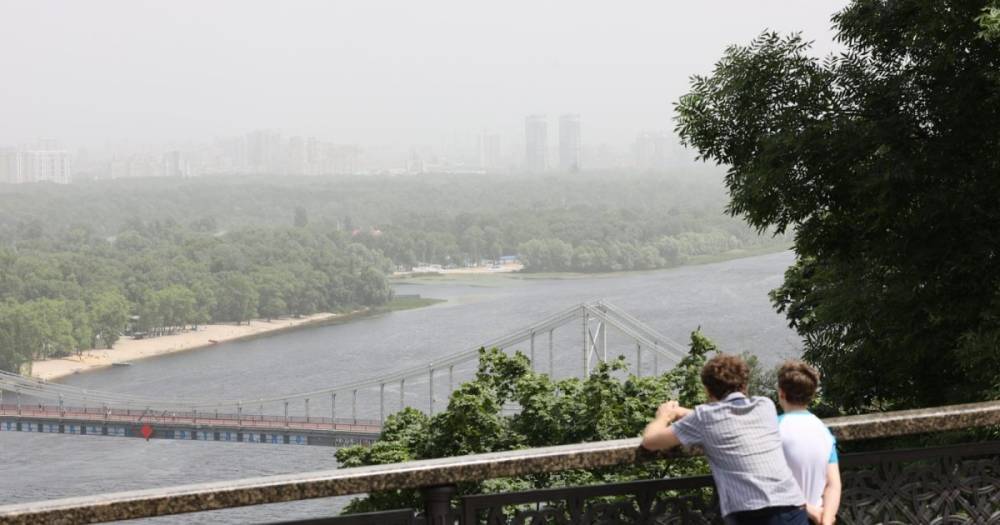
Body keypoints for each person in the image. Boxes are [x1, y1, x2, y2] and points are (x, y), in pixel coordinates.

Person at [641, 353, 808, 525]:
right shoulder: (765, 405)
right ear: (745, 385)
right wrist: (683, 412)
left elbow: (650, 441)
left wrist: (664, 416)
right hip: (793, 506)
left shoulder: (704, 418)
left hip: (752, 514)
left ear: (707, 389)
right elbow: (729, 419)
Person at [776, 360, 841, 525]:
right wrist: (825, 519)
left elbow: (769, 484)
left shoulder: (773, 429)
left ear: (781, 393)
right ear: (811, 395)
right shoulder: (822, 430)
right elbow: (833, 484)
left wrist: (807, 508)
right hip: (819, 517)